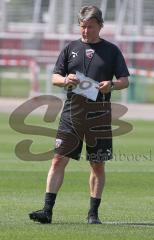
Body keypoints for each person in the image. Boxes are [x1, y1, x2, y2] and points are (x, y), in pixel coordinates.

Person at [29, 5, 129, 224]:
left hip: (99, 116)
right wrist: (66, 80)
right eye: (82, 27)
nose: (85, 31)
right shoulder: (70, 48)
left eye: (90, 27)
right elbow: (55, 76)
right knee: (57, 160)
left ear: (100, 26)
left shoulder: (112, 51)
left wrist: (110, 85)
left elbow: (124, 80)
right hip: (71, 113)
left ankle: (93, 214)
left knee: (97, 164)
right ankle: (47, 211)